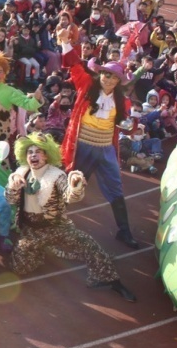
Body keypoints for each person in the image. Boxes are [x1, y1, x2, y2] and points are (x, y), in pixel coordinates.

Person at [6, 133, 136, 301]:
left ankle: (111, 281)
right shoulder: (20, 173)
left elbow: (69, 196)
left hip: (57, 227)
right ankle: (42, 252)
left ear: (47, 155)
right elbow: (10, 200)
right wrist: (13, 187)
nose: (33, 155)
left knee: (89, 244)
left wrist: (75, 185)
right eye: (30, 152)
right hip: (31, 231)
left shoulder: (56, 175)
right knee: (19, 268)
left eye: (38, 151)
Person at [57, 32, 140, 248]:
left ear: (118, 81)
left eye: (112, 76)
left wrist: (130, 127)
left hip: (105, 148)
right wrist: (65, 41)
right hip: (82, 146)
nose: (108, 78)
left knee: (115, 188)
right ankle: (52, 223)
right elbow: (75, 66)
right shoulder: (86, 86)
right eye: (105, 74)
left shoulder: (122, 101)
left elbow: (124, 124)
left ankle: (124, 231)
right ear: (100, 74)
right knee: (70, 183)